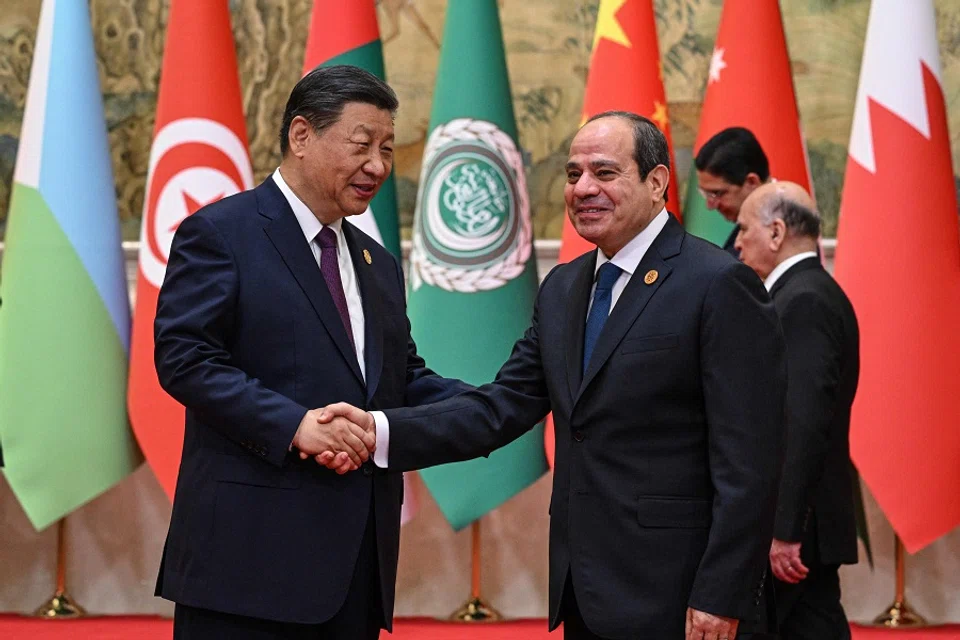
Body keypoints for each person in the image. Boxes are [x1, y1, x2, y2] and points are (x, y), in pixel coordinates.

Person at [320, 111, 787, 640]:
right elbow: (502, 405)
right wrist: (378, 431)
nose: (583, 188)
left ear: (656, 183)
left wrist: (720, 594)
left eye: (605, 173)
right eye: (572, 175)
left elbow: (750, 463)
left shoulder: (719, 284)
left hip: (683, 597)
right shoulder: (565, 288)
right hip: (585, 590)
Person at [153, 64, 467, 640]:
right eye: (362, 145)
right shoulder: (222, 232)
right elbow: (185, 358)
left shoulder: (378, 265)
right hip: (246, 567)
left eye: (388, 148)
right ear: (302, 136)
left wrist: (513, 397)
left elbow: (401, 378)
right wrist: (295, 425)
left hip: (354, 570)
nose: (378, 165)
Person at [736, 182, 860, 640]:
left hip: (797, 525)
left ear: (776, 232)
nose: (737, 242)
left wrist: (785, 528)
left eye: (744, 228)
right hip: (803, 517)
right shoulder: (807, 291)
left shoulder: (802, 300)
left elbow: (803, 420)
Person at [695, 127, 770, 255]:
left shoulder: (789, 233)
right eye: (705, 194)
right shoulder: (744, 226)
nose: (710, 205)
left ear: (752, 182)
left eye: (717, 193)